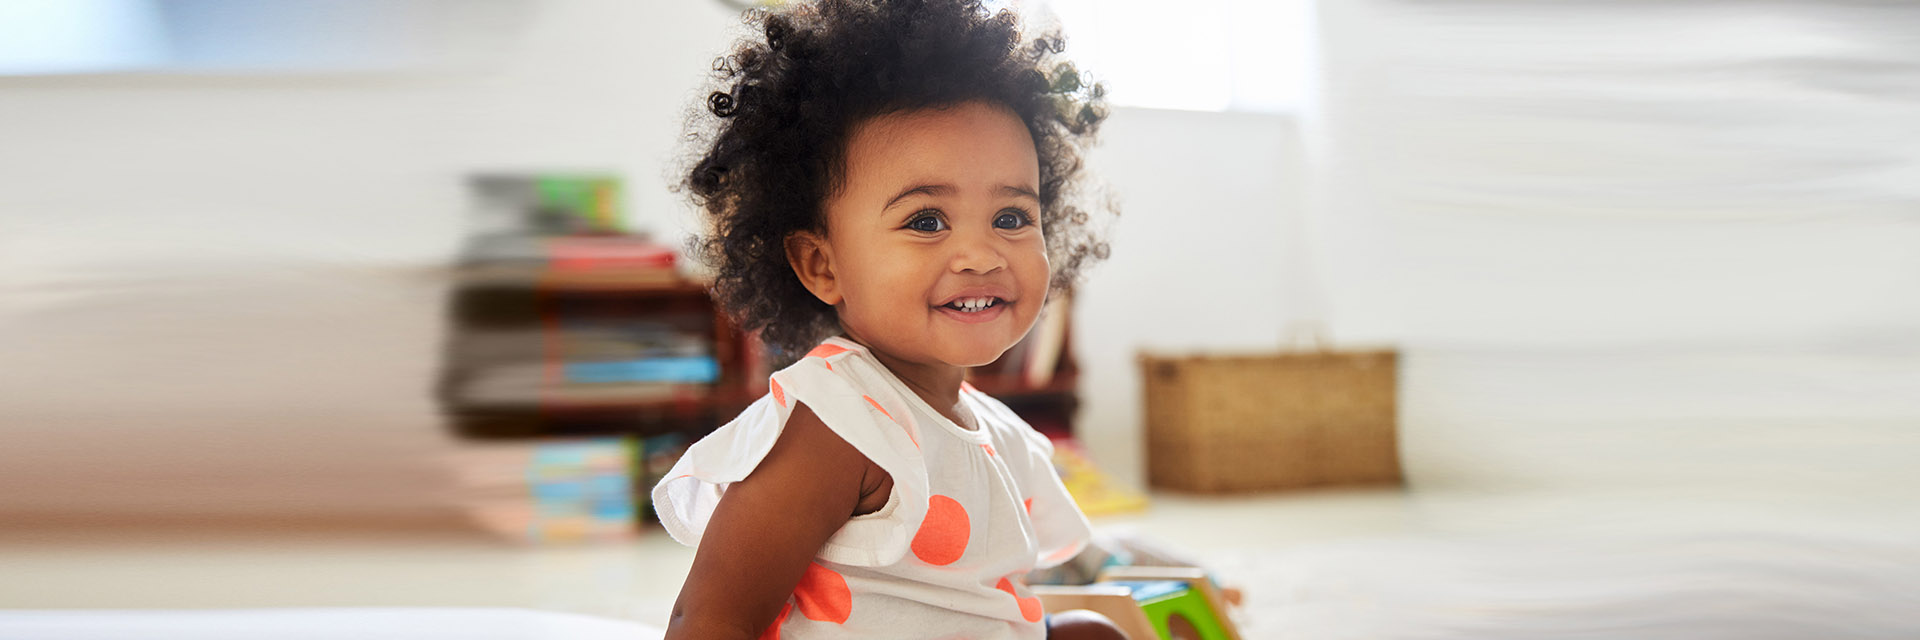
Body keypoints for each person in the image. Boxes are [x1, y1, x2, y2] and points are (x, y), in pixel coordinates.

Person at [652, 1, 1121, 637]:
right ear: (821, 264)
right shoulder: (838, 421)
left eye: (1012, 218)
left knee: (1093, 630)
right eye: (926, 221)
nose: (981, 255)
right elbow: (710, 617)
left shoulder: (1000, 433)